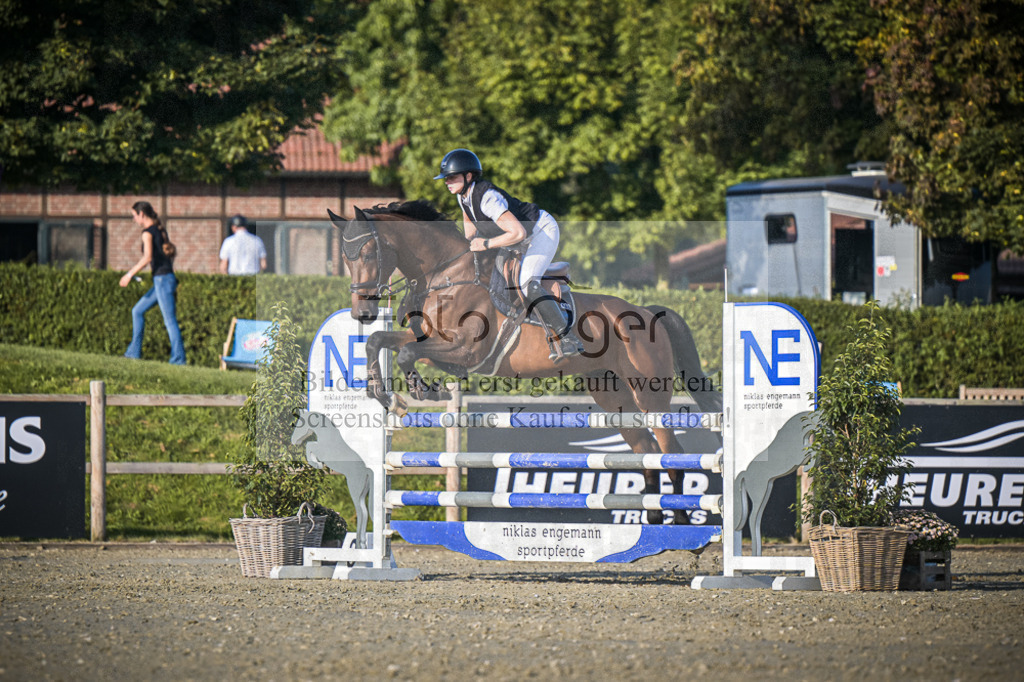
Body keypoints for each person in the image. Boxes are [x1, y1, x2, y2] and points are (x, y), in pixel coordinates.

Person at [435, 148, 583, 361]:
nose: (447, 181)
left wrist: (486, 243)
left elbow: (518, 232)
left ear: (469, 176)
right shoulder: (463, 197)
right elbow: (470, 234)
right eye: (445, 178)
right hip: (519, 239)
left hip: (539, 232)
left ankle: (568, 337)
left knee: (526, 283)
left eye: (452, 177)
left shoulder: (487, 198)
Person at [120, 201, 186, 365]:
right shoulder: (159, 230)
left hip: (163, 280)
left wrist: (129, 275)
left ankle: (178, 360)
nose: (134, 220)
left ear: (141, 214)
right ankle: (133, 353)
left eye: (134, 216)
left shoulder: (148, 233)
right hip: (162, 280)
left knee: (169, 321)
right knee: (137, 311)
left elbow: (147, 257)